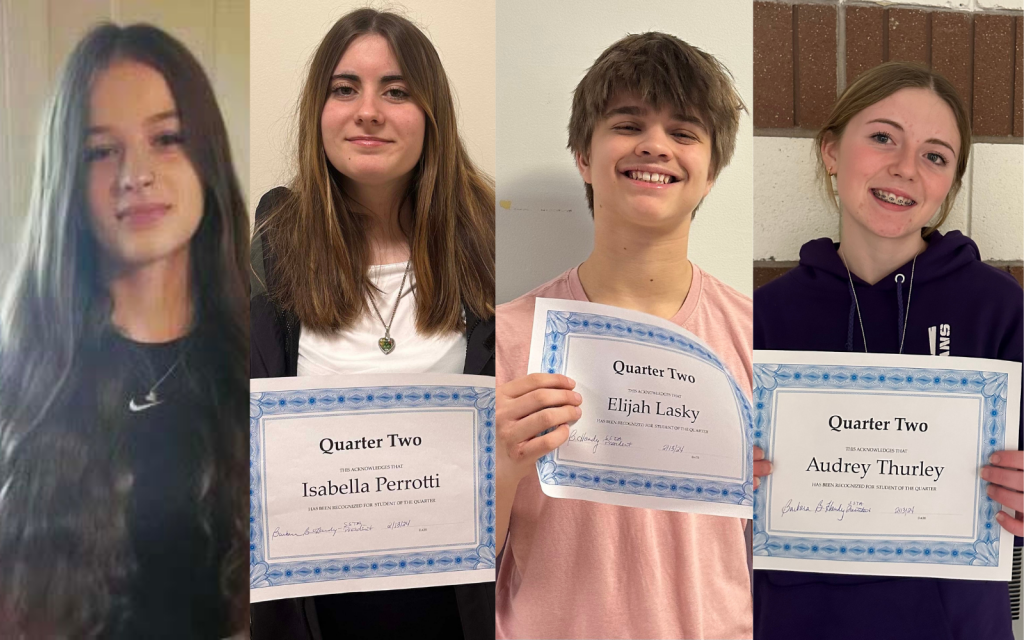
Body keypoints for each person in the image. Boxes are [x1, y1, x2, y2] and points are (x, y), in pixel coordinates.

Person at [752, 61, 1023, 640]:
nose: (904, 168)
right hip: (796, 621)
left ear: (950, 181)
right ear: (831, 151)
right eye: (882, 137)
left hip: (955, 624)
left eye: (935, 155)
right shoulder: (763, 318)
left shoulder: (1001, 310)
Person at [495, 33, 752, 638]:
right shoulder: (503, 339)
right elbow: (459, 564)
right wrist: (500, 465)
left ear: (712, 172)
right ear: (583, 156)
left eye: (684, 132)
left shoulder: (755, 339)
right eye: (628, 123)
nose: (655, 146)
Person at [248, 9, 495, 640]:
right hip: (314, 618)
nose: (368, 111)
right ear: (319, 110)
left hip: (460, 612)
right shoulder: (273, 246)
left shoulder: (491, 246)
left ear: (431, 112)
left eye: (397, 90)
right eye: (344, 88)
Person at [0, 24, 249, 639]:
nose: (134, 174)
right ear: (67, 180)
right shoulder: (18, 380)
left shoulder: (272, 354)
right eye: (100, 151)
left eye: (166, 138)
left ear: (207, 158)